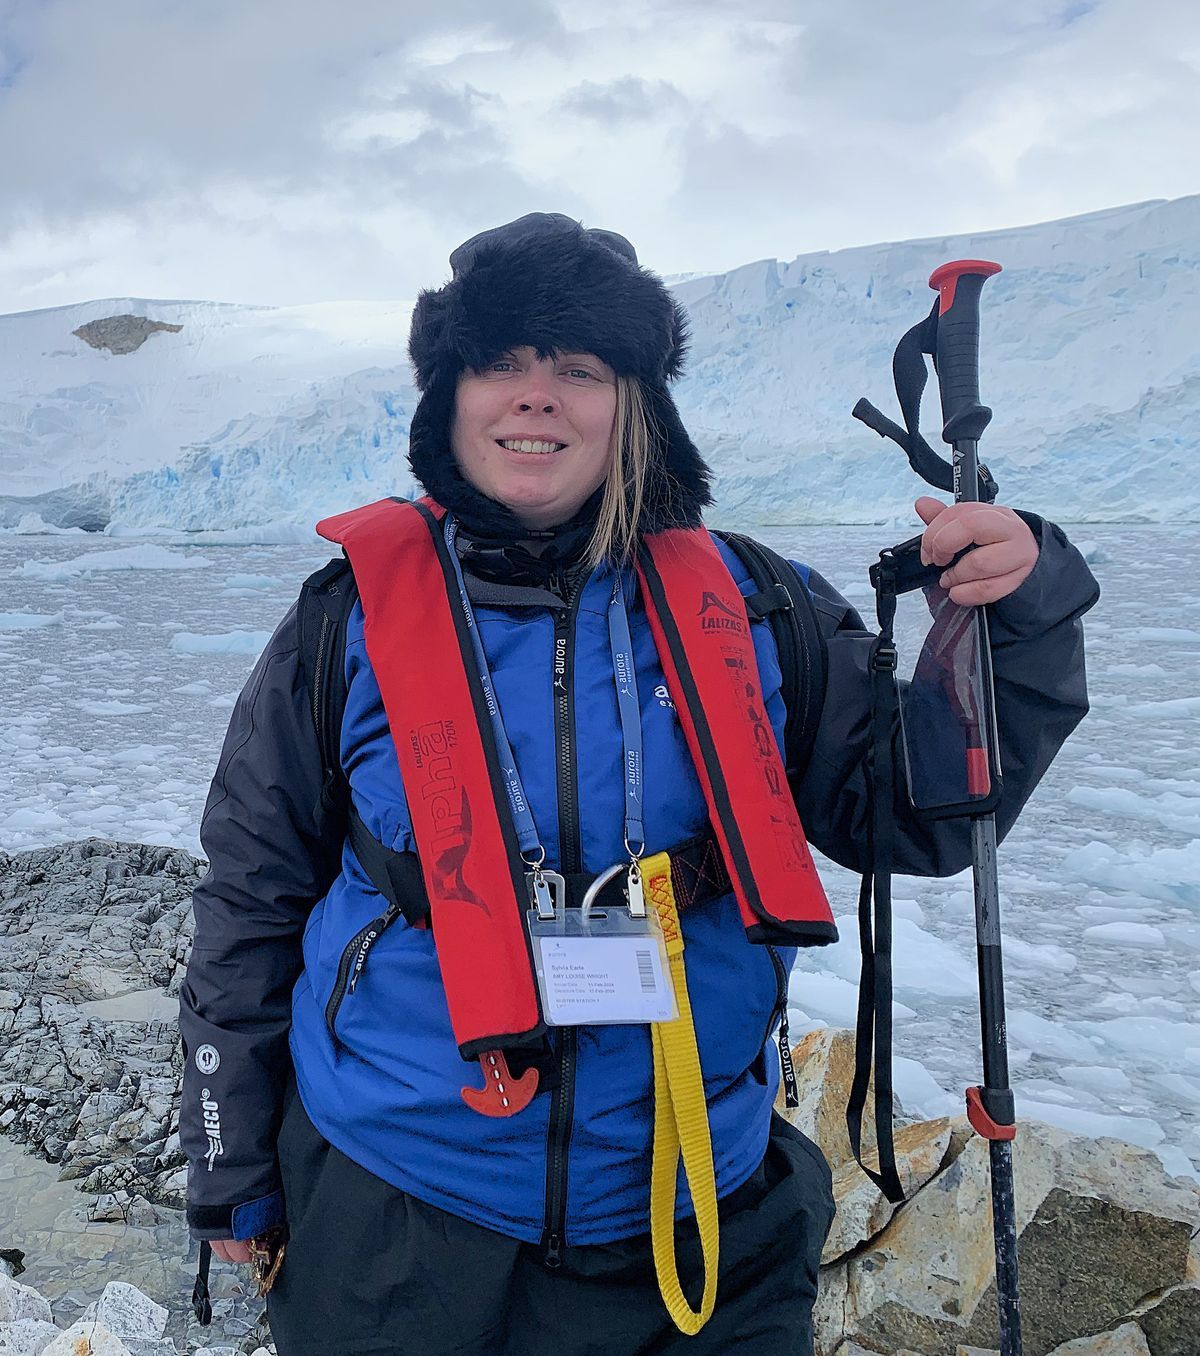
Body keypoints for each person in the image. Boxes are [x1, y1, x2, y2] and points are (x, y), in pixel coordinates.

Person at [176, 214, 1099, 1355]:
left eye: (579, 368)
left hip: (698, 1209)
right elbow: (252, 901)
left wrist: (1024, 614)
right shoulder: (344, 623)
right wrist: (229, 1167)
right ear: (447, 398)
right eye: (500, 363)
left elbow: (920, 809)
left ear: (636, 405)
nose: (535, 397)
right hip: (400, 1208)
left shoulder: (763, 608)